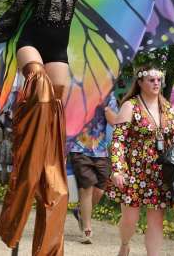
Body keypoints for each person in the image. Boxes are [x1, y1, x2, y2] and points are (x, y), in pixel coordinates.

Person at [0, 0, 170, 254]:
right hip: (32, 41)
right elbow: (15, 11)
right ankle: (17, 129)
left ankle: (47, 150)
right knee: (36, 81)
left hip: (58, 48)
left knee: (57, 95)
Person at [107, 66, 174, 256]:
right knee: (130, 219)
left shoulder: (168, 108)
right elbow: (118, 139)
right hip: (133, 171)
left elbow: (173, 137)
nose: (156, 83)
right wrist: (118, 169)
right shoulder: (130, 106)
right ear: (140, 82)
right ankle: (125, 244)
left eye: (159, 80)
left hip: (161, 172)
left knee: (156, 221)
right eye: (151, 80)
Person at [70, 93, 118, 244]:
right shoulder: (78, 91)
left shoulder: (110, 96)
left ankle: (80, 212)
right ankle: (87, 230)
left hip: (101, 151)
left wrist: (104, 106)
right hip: (79, 148)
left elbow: (114, 122)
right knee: (87, 188)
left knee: (100, 190)